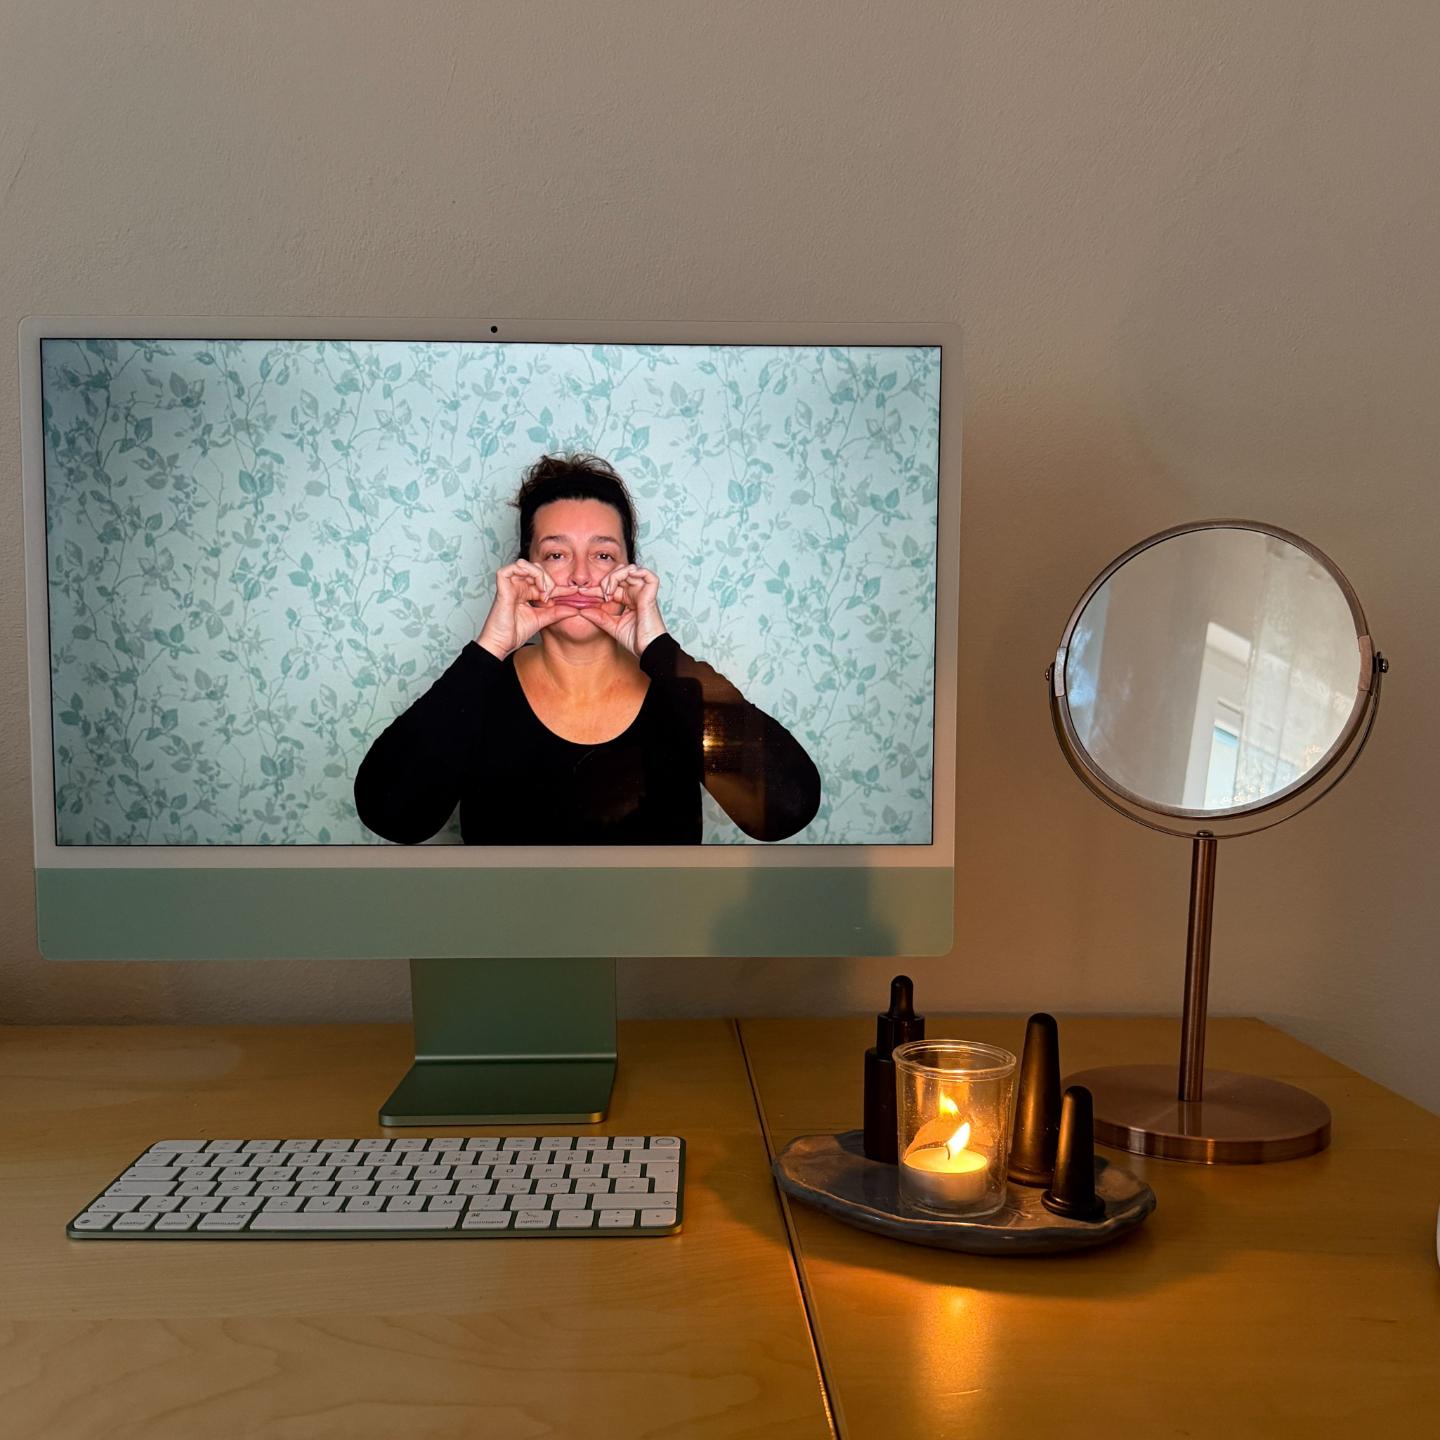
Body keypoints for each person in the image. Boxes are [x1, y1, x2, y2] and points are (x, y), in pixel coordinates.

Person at [354, 454, 821, 845]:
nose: (580, 576)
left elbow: (785, 809)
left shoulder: (676, 694)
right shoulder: (480, 693)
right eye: (556, 554)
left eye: (603, 555)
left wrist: (660, 650)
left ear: (629, 572)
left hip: (654, 952)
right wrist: (489, 649)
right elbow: (393, 816)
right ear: (526, 569)